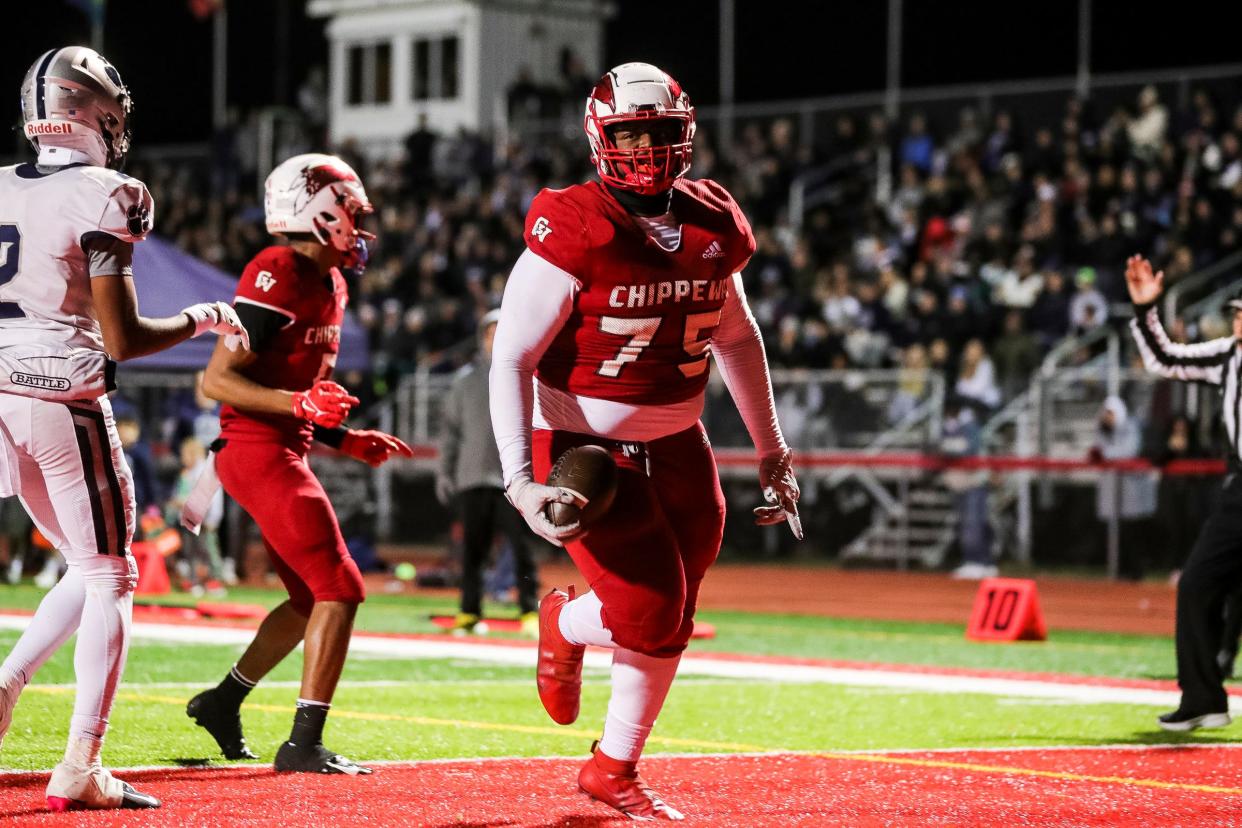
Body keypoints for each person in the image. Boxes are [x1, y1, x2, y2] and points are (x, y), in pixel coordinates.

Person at [489, 62, 802, 821]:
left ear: (685, 136)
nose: (647, 150)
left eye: (660, 134)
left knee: (676, 607)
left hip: (681, 440)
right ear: (602, 137)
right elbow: (512, 357)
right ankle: (612, 765)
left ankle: (569, 630)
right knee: (656, 605)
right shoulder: (575, 225)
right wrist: (518, 479)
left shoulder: (711, 224)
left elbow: (737, 337)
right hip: (583, 441)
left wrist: (771, 449)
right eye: (631, 133)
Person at [0, 47, 248, 811]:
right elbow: (124, 339)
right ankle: (81, 762)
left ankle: (5, 688)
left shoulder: (2, 184)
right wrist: (203, 317)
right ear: (94, 109)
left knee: (86, 561)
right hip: (58, 395)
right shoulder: (107, 192)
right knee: (113, 573)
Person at [185, 153, 413, 774]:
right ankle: (303, 743)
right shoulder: (277, 269)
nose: (361, 227)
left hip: (283, 446)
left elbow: (303, 395)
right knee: (342, 586)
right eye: (353, 213)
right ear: (318, 213)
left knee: (311, 599)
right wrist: (300, 405)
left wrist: (344, 438)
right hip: (255, 449)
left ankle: (223, 700)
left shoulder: (331, 282)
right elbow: (219, 381)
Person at [1126, 254, 1242, 731]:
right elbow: (1166, 357)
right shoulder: (1230, 356)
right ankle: (1203, 696)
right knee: (1197, 584)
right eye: (1236, 312)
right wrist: (1145, 310)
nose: (1237, 319)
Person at [437, 309, 539, 636]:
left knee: (522, 548)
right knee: (472, 551)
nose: (494, 339)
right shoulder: (464, 382)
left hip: (516, 479)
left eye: (500, 332)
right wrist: (445, 472)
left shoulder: (527, 377)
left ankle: (529, 611)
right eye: (490, 333)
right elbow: (450, 433)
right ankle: (469, 612)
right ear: (482, 338)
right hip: (472, 478)